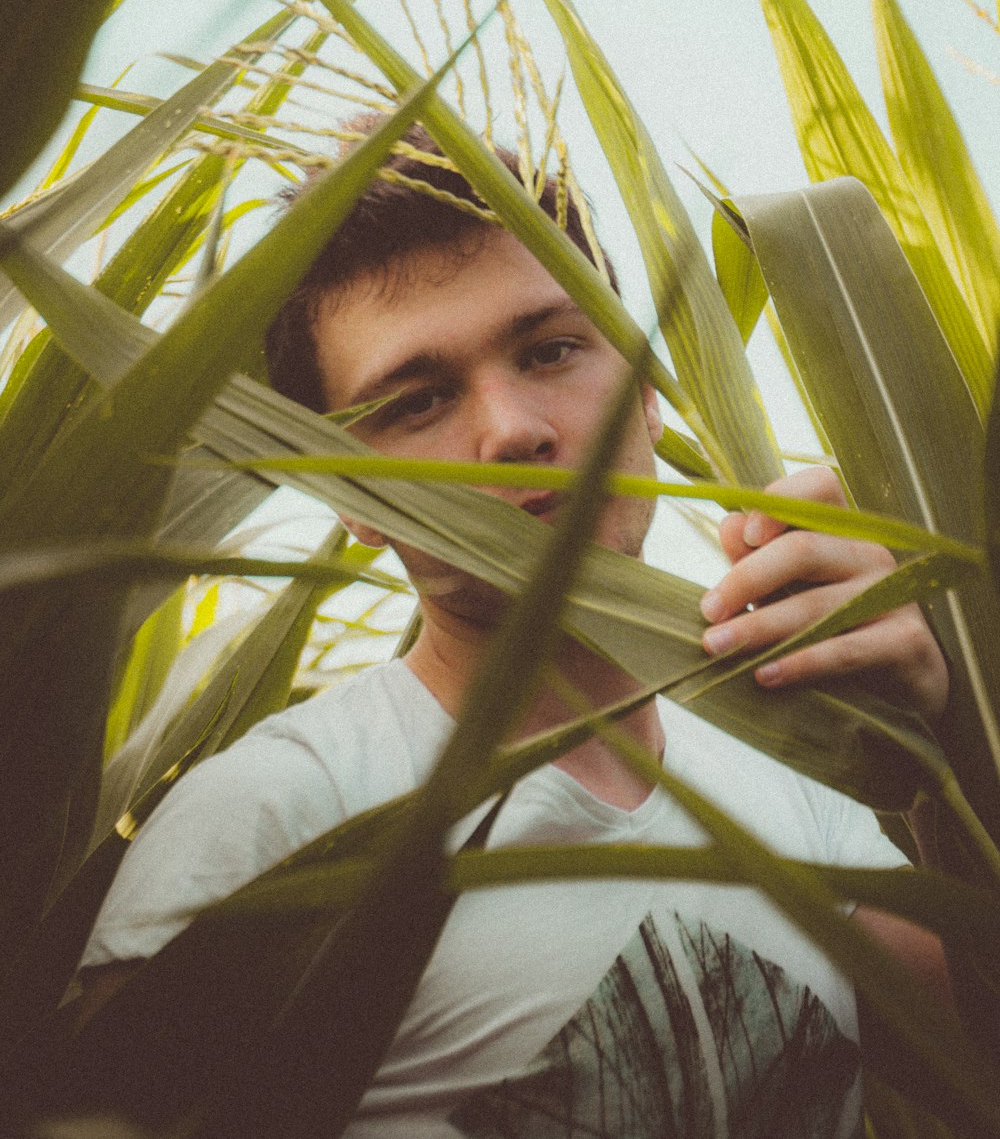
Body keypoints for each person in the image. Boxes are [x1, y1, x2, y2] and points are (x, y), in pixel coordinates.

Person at [77, 124, 951, 1138]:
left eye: (551, 349)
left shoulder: (800, 757)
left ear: (649, 388)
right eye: (417, 399)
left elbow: (960, 1074)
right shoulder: (283, 814)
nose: (513, 429)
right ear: (347, 496)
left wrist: (931, 754)